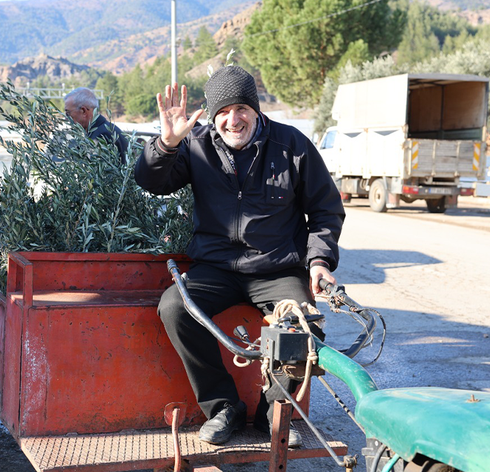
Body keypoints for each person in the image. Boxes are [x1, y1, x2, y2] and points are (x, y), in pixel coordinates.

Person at [134, 66, 345, 446]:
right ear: (213, 117)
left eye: (242, 108)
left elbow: (326, 210)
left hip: (277, 268)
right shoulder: (194, 144)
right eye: (224, 111)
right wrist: (165, 144)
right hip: (215, 267)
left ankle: (273, 414)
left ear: (256, 109)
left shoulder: (292, 145)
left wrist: (319, 262)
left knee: (303, 324)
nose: (234, 119)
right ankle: (223, 408)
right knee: (175, 308)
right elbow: (152, 183)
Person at [63, 87, 129, 163]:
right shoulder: (104, 129)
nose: (66, 119)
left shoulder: (101, 137)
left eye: (68, 113)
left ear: (83, 111)